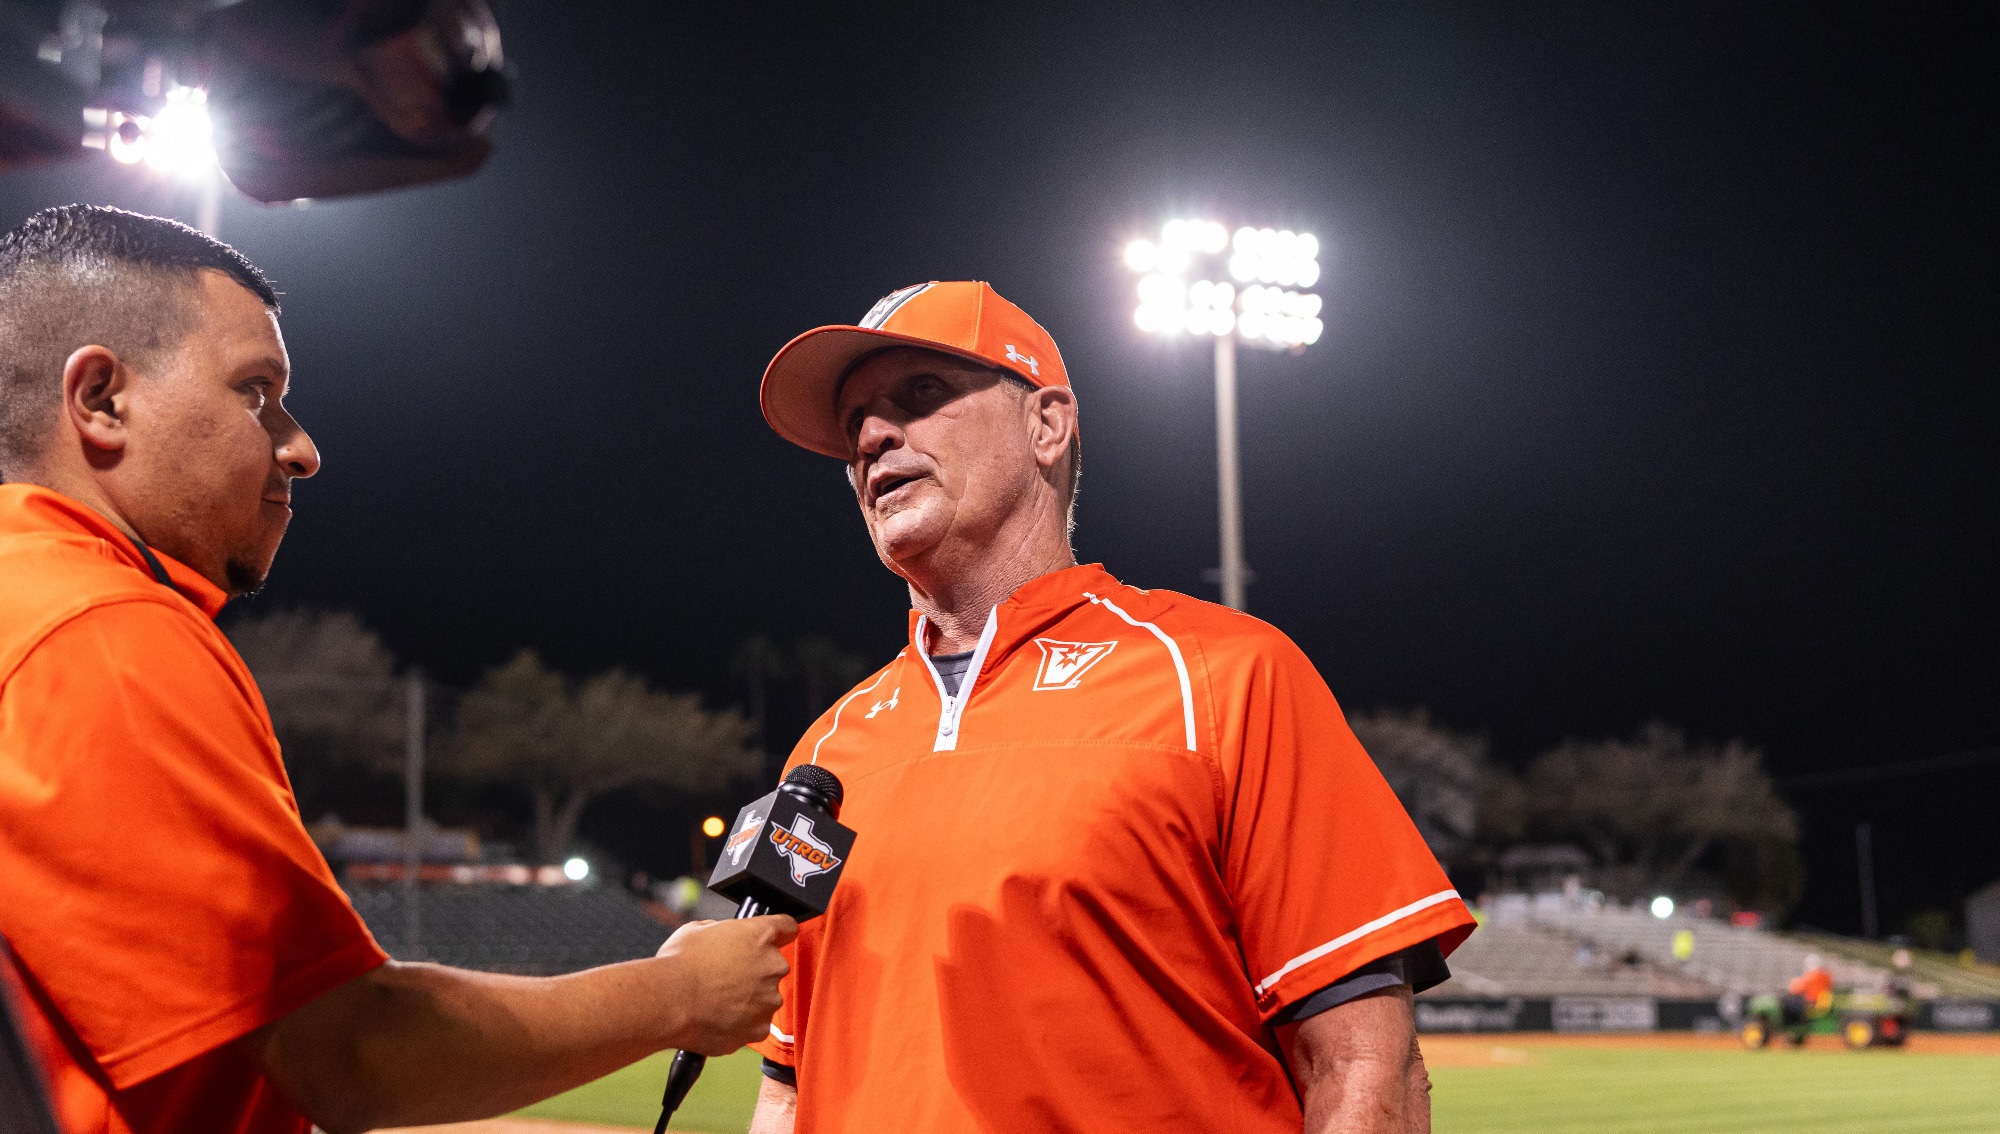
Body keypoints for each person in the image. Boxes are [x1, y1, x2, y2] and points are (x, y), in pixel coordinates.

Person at [0, 205, 797, 1134]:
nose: (300, 446)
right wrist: (677, 993)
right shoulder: (102, 632)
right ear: (101, 399)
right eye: (256, 392)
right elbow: (348, 1053)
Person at [746, 281, 1477, 1133]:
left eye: (922, 395)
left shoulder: (1222, 675)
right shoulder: (824, 756)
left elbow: (1363, 1066)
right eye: (855, 424)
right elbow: (786, 1087)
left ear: (1046, 425)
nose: (872, 439)